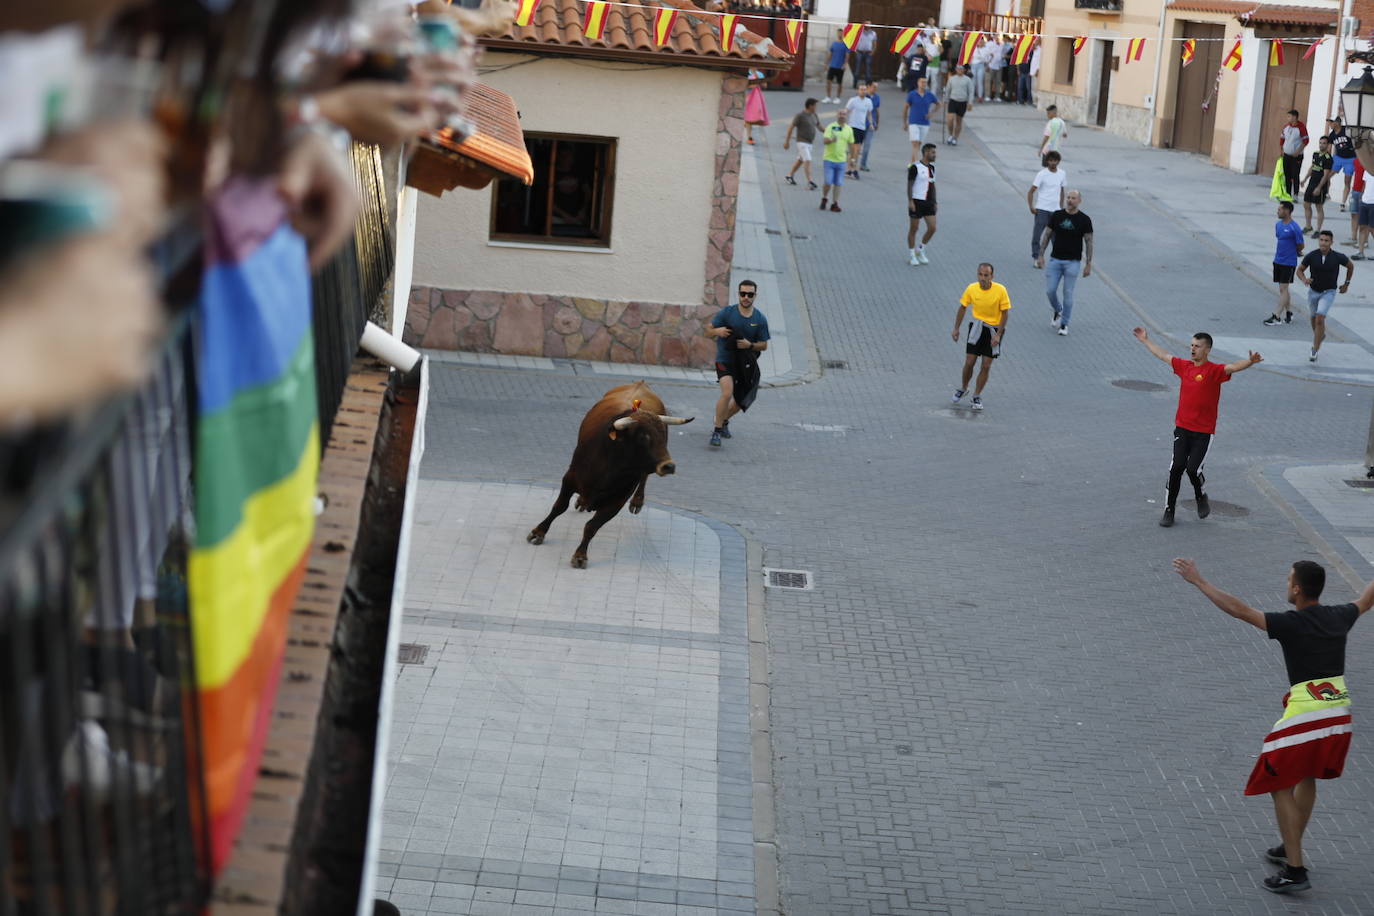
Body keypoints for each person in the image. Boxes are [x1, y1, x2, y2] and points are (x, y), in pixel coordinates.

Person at [1170, 558, 1373, 895]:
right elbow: (1367, 599)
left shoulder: (1290, 623)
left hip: (1308, 712)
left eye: (1289, 578)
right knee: (1306, 775)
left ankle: (1295, 870)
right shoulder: (1340, 616)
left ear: (1297, 588)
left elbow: (1241, 610)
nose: (1286, 583)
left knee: (1277, 781)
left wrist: (1200, 581)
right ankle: (1288, 844)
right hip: (1339, 711)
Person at [1131, 327, 1261, 527]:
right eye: (1191, 345)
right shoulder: (1185, 367)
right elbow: (1163, 355)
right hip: (1182, 428)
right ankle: (1169, 510)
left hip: (1203, 432)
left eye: (1197, 346)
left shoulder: (1214, 371)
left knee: (1192, 469)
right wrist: (1145, 340)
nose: (1192, 349)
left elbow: (1233, 367)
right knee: (1176, 468)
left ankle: (1201, 497)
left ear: (1207, 350)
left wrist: (1250, 362)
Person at [707, 279, 770, 447]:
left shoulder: (760, 319)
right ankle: (717, 431)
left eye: (750, 294)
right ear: (739, 294)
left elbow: (764, 345)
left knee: (742, 401)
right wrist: (717, 331)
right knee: (727, 393)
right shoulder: (727, 313)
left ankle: (723, 419)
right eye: (743, 294)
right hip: (725, 361)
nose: (746, 297)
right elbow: (707, 331)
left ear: (755, 296)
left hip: (745, 365)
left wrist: (750, 345)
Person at [950, 262, 1011, 411]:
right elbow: (963, 307)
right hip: (976, 327)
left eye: (986, 275)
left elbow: (1005, 313)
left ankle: (976, 396)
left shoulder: (1000, 290)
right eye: (980, 275)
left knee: (986, 365)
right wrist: (956, 329)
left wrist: (998, 335)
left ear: (992, 276)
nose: (982, 278)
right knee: (970, 361)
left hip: (993, 331)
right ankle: (963, 388)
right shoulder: (972, 288)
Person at [1036, 189, 1092, 334]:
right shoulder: (1057, 215)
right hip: (1055, 260)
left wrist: (1088, 264)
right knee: (1050, 290)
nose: (1070, 200)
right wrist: (1041, 254)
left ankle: (1064, 324)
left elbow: (1089, 242)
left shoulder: (1084, 220)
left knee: (1068, 293)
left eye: (1073, 198)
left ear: (1079, 201)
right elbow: (1047, 235)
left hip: (1073, 263)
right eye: (1068, 197)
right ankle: (1057, 309)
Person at [1296, 230, 1354, 362]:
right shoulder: (1312, 255)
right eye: (1321, 240)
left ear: (1331, 242)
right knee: (1313, 318)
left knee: (1320, 317)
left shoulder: (1338, 257)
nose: (1323, 243)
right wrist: (1304, 279)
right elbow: (1299, 270)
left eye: (1326, 241)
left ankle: (1314, 349)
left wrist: (1346, 284)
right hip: (1313, 292)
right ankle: (1319, 335)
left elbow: (1350, 266)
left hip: (1329, 292)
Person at [1265, 201, 1304, 326]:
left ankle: (1276, 316)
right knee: (1283, 290)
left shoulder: (1294, 227)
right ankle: (1289, 313)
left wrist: (1296, 252)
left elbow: (1301, 244)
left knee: (1283, 288)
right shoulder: (1278, 225)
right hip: (1278, 260)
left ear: (1287, 211)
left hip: (1289, 262)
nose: (1278, 211)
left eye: (1280, 209)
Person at [1027, 151, 1067, 265]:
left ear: (1058, 161)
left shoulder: (1062, 174)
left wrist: (1061, 207)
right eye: (1050, 160)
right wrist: (1031, 207)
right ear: (1047, 161)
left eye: (1055, 160)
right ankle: (1037, 258)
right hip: (1042, 209)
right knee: (1037, 235)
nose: (1053, 162)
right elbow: (1031, 192)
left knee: (1055, 237)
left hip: (1055, 211)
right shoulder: (1042, 174)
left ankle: (1056, 259)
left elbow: (1062, 191)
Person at [906, 142, 937, 265]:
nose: (935, 155)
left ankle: (920, 249)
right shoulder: (915, 167)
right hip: (917, 202)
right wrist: (910, 201)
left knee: (932, 228)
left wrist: (935, 201)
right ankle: (912, 255)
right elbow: (909, 185)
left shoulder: (932, 168)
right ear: (926, 153)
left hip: (929, 203)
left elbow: (933, 185)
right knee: (914, 229)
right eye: (933, 152)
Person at [819, 109, 854, 213]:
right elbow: (825, 141)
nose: (842, 116)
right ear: (836, 115)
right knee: (828, 182)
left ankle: (835, 203)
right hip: (829, 159)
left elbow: (851, 145)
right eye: (840, 114)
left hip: (841, 160)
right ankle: (824, 198)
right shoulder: (831, 126)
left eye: (844, 114)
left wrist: (852, 159)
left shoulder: (849, 129)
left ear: (846, 116)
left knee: (838, 183)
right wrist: (831, 140)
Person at [783, 98, 820, 189]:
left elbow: (820, 127)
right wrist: (787, 141)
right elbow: (791, 128)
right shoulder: (800, 115)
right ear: (810, 106)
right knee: (807, 159)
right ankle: (810, 181)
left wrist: (829, 132)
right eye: (815, 105)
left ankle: (789, 176)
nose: (816, 107)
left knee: (800, 160)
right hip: (802, 142)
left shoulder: (814, 115)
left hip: (810, 143)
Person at [903, 75, 940, 164]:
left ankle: (911, 164)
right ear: (918, 83)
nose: (923, 84)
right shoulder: (912, 94)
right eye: (922, 82)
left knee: (918, 145)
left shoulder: (929, 95)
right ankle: (916, 165)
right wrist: (905, 122)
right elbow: (906, 108)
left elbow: (939, 104)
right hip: (913, 122)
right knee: (915, 143)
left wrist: (932, 113)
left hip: (925, 123)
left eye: (925, 82)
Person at [1301, 135, 1333, 235]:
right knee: (1306, 204)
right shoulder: (1315, 154)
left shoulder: (1328, 158)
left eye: (1324, 143)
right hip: (1312, 182)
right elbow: (1312, 167)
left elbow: (1326, 175)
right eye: (1320, 143)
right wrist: (1305, 179)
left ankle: (1318, 230)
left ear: (1328, 145)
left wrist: (1319, 187)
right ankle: (1308, 226)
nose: (1321, 145)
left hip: (1321, 184)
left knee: (1318, 206)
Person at [1325, 116, 1356, 211]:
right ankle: (1326, 193)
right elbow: (1329, 149)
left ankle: (1342, 203)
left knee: (1347, 181)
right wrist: (1328, 158)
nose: (1329, 124)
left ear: (1337, 122)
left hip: (1350, 159)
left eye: (1331, 122)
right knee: (1326, 176)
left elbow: (1356, 142)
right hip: (1338, 158)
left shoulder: (1347, 130)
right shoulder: (1332, 135)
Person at [843, 85, 872, 179]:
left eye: (864, 90)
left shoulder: (868, 101)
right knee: (855, 149)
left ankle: (848, 169)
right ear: (858, 91)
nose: (863, 91)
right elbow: (846, 111)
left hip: (862, 127)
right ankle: (854, 169)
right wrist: (843, 122)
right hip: (853, 126)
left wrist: (871, 124)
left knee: (856, 150)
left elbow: (869, 114)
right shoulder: (853, 100)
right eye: (861, 90)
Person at [1279, 109, 1309, 201]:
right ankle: (1288, 194)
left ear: (1295, 117)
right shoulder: (1286, 127)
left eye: (1289, 116)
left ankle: (1295, 194)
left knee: (1295, 174)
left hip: (1297, 156)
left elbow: (1306, 141)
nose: (1288, 118)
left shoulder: (1301, 127)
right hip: (1286, 155)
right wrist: (1281, 151)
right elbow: (1282, 139)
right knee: (1287, 174)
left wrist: (1298, 151)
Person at [943, 63, 974, 146]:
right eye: (958, 68)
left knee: (959, 121)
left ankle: (955, 138)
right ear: (956, 69)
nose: (959, 70)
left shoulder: (967, 80)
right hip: (953, 100)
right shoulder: (952, 79)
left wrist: (970, 103)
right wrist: (945, 99)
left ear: (964, 70)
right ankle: (950, 135)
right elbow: (948, 90)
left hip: (962, 102)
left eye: (961, 69)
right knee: (950, 119)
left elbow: (971, 92)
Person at [743, 68, 769, 146]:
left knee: (750, 116)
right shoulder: (744, 71)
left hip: (755, 97)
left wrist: (756, 76)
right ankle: (749, 136)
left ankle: (749, 136)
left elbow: (765, 85)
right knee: (747, 117)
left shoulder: (759, 74)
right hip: (745, 95)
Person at [859, 80, 880, 172]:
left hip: (871, 125)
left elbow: (877, 111)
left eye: (876, 87)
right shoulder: (862, 96)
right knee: (857, 145)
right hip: (860, 124)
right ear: (868, 86)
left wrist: (877, 123)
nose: (875, 89)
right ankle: (851, 163)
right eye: (874, 87)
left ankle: (863, 164)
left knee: (867, 145)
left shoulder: (877, 97)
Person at [825, 31, 848, 103]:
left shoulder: (845, 44)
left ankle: (838, 98)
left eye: (841, 33)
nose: (839, 34)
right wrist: (826, 63)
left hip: (840, 66)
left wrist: (845, 64)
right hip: (832, 65)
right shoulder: (834, 44)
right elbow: (830, 54)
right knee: (829, 81)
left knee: (839, 83)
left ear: (843, 34)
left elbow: (847, 55)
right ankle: (828, 97)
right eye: (838, 33)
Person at [852, 22, 876, 88]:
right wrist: (855, 50)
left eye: (870, 24)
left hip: (868, 53)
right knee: (857, 68)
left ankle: (867, 85)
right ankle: (855, 84)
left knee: (868, 69)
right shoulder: (859, 32)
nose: (868, 25)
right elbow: (854, 41)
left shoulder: (873, 33)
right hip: (859, 52)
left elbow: (874, 44)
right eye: (867, 24)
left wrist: (873, 52)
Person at [984, 36, 1004, 102]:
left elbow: (1002, 54)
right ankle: (987, 96)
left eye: (999, 36)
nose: (998, 37)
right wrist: (987, 65)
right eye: (997, 36)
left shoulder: (1002, 44)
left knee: (998, 82)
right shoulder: (989, 44)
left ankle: (997, 96)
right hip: (990, 65)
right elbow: (986, 54)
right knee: (988, 81)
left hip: (999, 66)